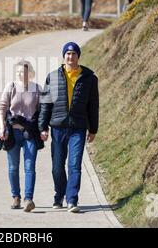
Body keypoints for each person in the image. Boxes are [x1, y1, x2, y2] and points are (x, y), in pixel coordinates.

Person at [38, 42, 99, 213]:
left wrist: (93, 129)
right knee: (57, 166)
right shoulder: (52, 77)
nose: (70, 57)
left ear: (78, 56)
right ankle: (59, 195)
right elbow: (45, 104)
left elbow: (93, 106)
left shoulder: (89, 78)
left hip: (78, 128)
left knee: (74, 165)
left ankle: (72, 199)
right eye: (68, 53)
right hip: (58, 128)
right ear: (63, 56)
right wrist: (42, 127)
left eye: (73, 53)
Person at [0, 60, 43, 212]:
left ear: (29, 73)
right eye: (18, 72)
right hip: (13, 133)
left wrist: (44, 130)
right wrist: (2, 127)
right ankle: (16, 197)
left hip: (30, 133)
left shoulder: (37, 89)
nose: (20, 74)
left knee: (30, 166)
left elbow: (42, 112)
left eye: (23, 72)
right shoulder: (10, 87)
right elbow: (2, 108)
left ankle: (28, 199)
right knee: (13, 167)